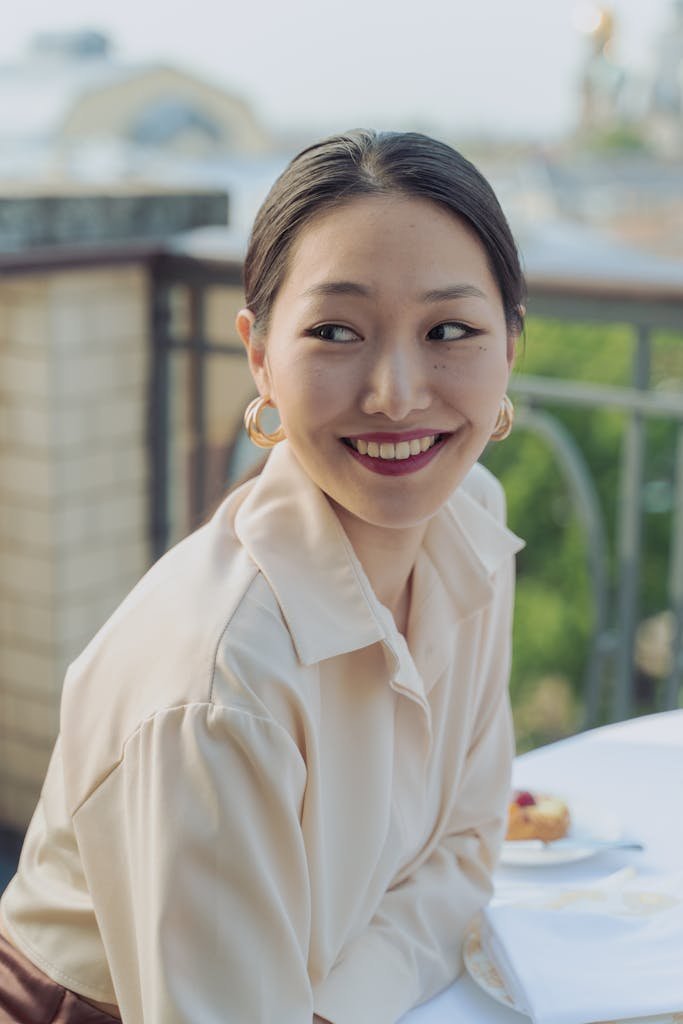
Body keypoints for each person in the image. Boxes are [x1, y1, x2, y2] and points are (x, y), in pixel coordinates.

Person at [0, 128, 525, 1024]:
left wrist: (332, 1004)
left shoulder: (469, 518)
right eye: (334, 331)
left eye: (449, 330)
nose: (395, 393)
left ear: (510, 343)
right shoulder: (216, 689)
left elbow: (464, 851)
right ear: (258, 353)